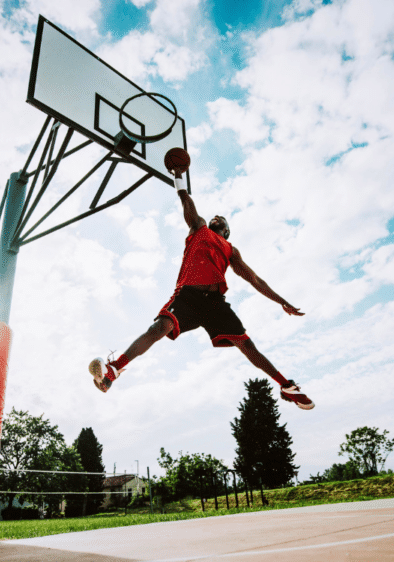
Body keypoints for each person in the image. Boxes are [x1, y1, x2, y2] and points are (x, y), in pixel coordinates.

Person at [89, 163, 314, 410]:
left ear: (226, 231)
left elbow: (256, 280)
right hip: (188, 297)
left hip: (215, 304)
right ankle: (114, 370)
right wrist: (179, 178)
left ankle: (286, 386)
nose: (216, 217)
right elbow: (186, 201)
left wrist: (282, 300)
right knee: (159, 328)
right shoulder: (200, 229)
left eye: (222, 219)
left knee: (246, 344)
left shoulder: (231, 250)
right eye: (215, 216)